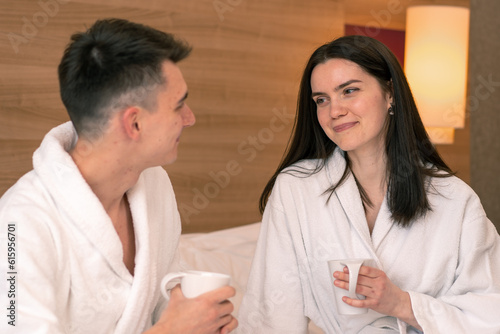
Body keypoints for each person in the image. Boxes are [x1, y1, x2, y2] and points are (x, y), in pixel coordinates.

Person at [237, 35, 500, 333]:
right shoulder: (296, 189)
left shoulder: (454, 199)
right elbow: (271, 312)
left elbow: (491, 311)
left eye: (349, 91)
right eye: (321, 100)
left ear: (390, 93)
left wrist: (401, 303)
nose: (334, 111)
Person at [0, 18, 238, 334]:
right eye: (179, 106)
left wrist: (192, 312)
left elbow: (156, 293)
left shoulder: (154, 185)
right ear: (134, 123)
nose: (190, 118)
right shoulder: (20, 223)